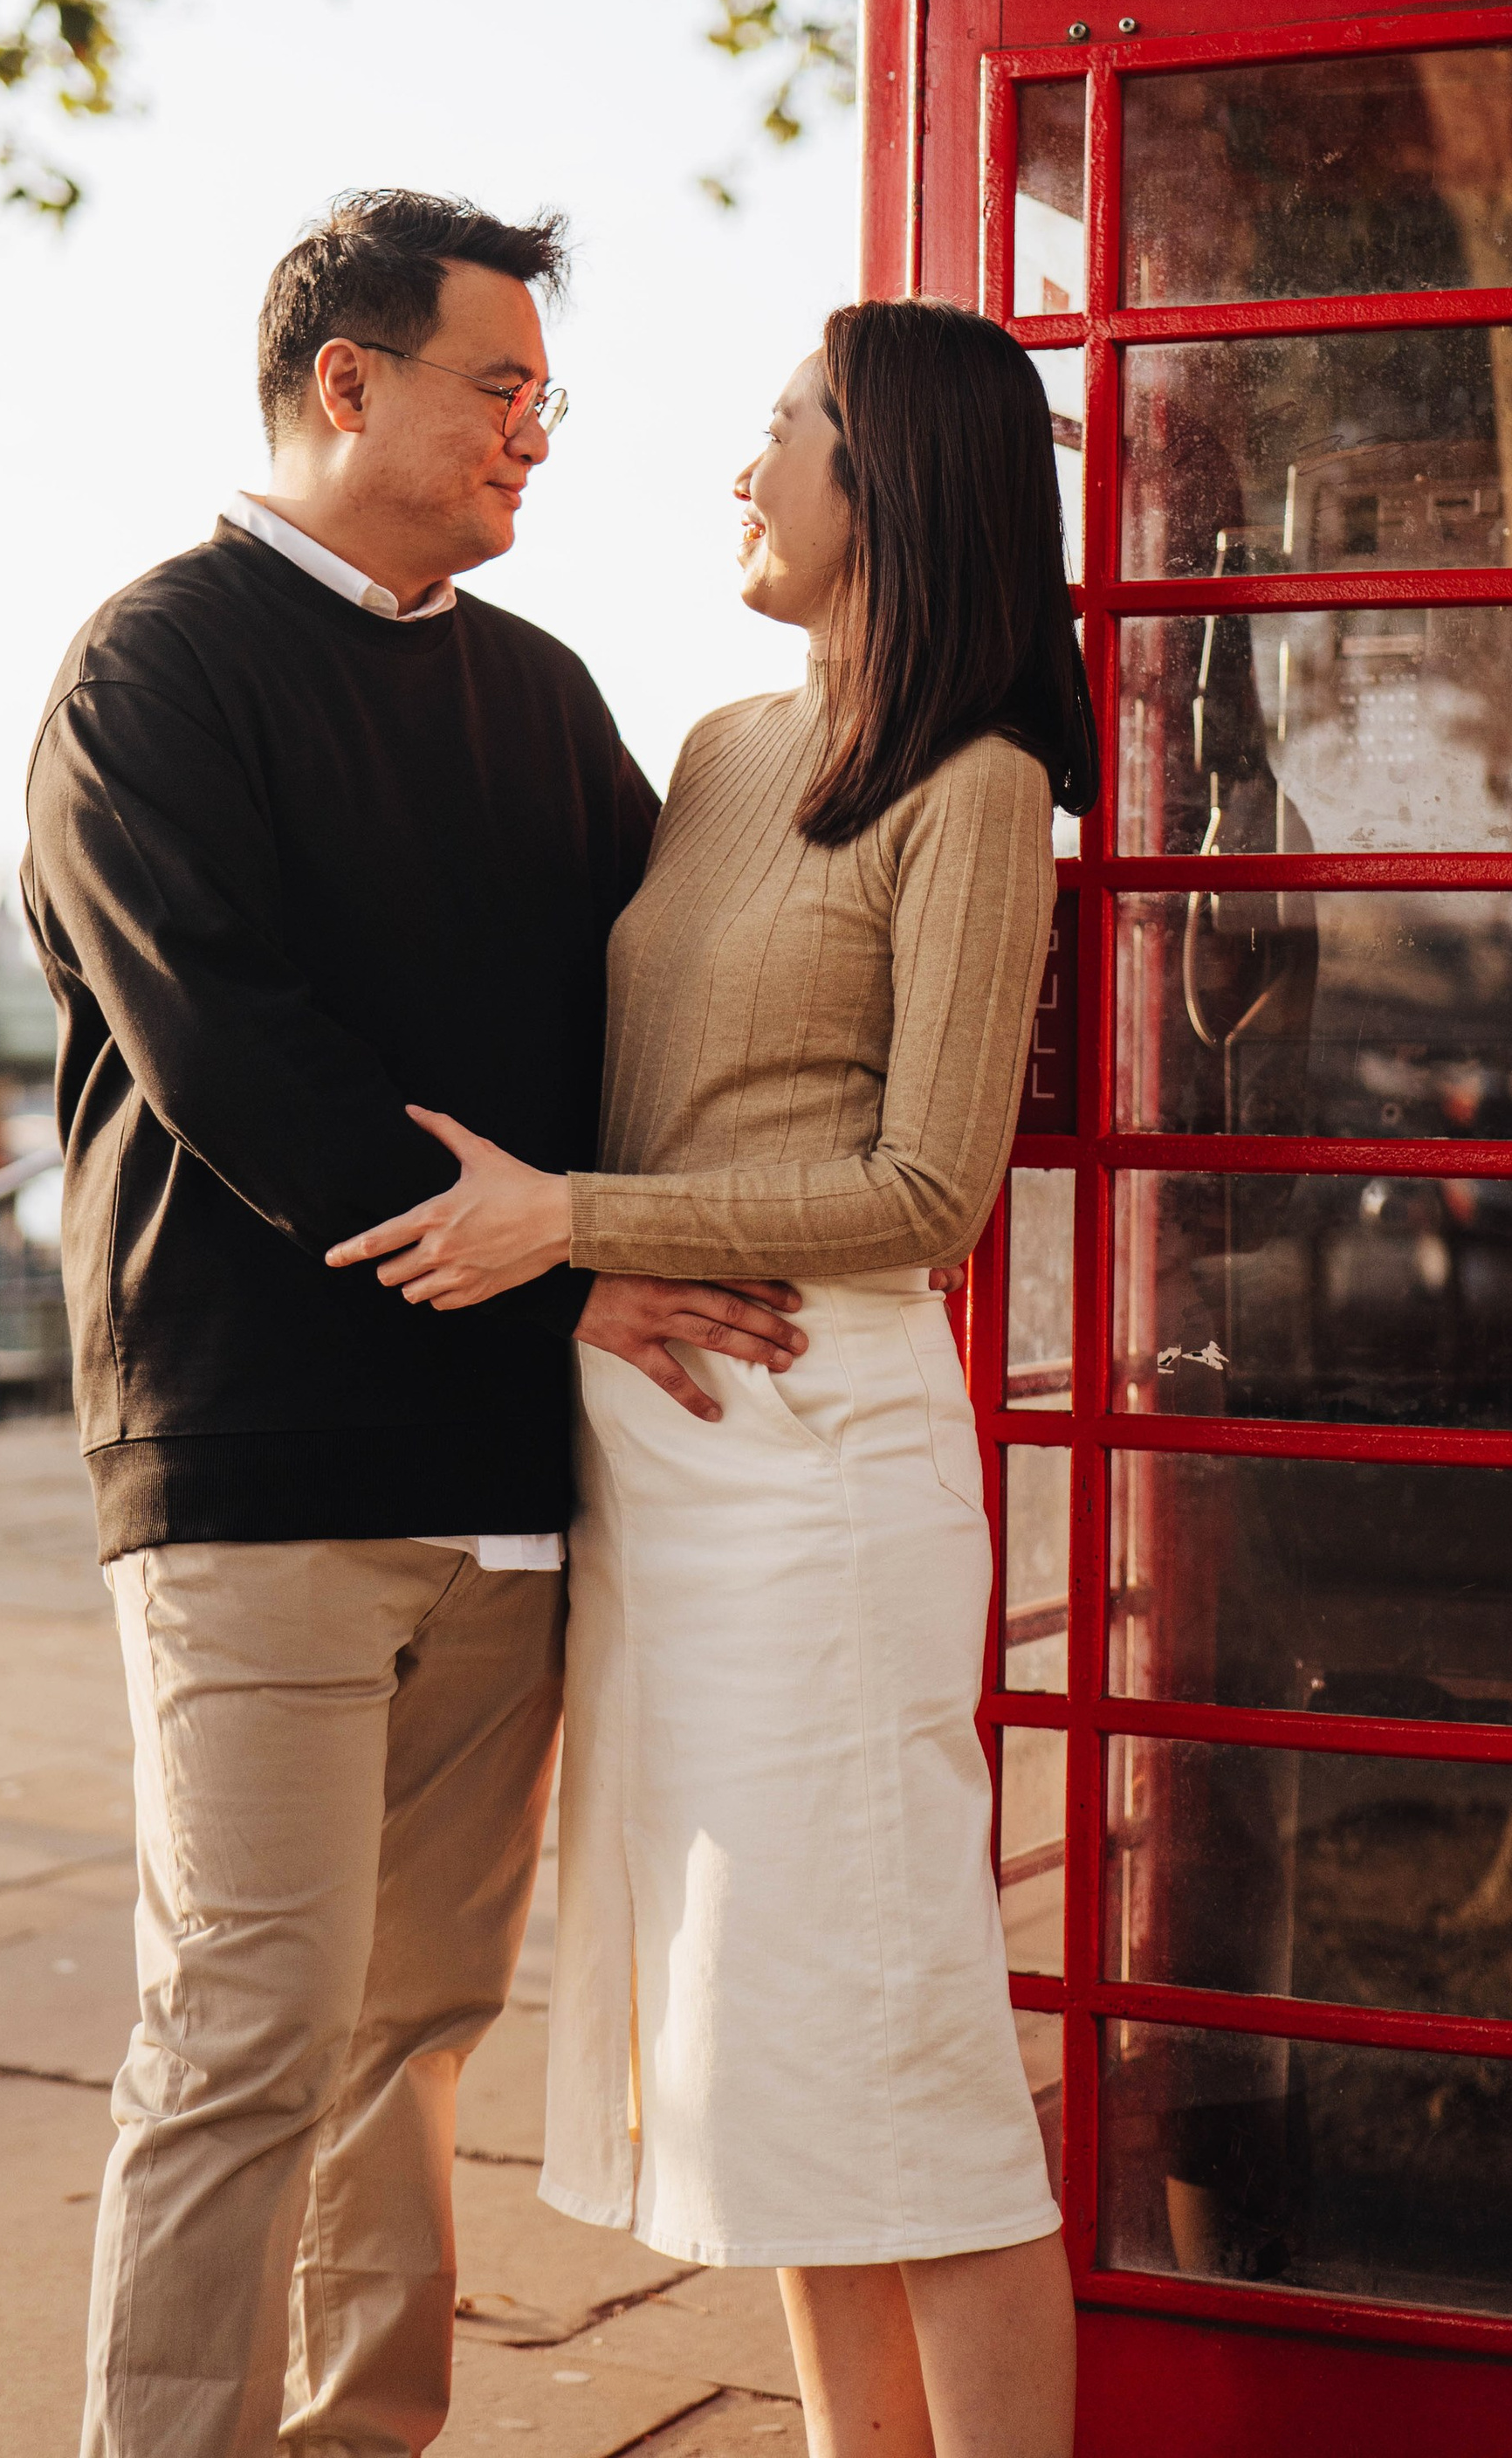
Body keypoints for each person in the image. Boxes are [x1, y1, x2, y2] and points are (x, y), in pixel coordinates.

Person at [20, 188, 808, 2458]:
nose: (537, 439)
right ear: (344, 382)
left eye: (550, 400)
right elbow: (232, 1061)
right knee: (246, 2029)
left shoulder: (543, 694)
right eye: (502, 388)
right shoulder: (148, 671)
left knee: (415, 2035)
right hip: (252, 1472)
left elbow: (667, 1002)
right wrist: (579, 1250)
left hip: (504, 1488)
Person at [330, 296, 1099, 2458]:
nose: (739, 474)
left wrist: (577, 1223)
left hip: (821, 1464)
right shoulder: (722, 753)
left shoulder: (975, 782)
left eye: (782, 435)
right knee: (771, 2060)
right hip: (654, 1466)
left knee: (901, 2047)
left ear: (895, 487)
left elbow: (926, 1189)